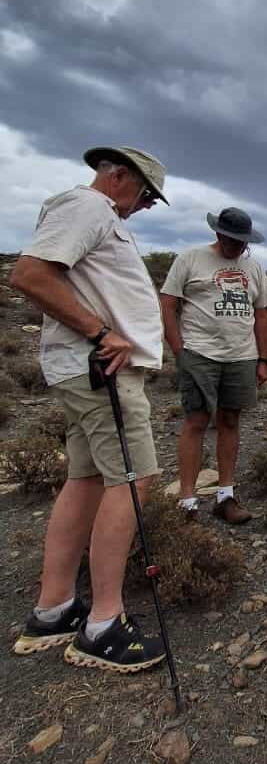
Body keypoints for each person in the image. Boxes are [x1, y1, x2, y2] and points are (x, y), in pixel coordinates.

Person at [10, 145, 169, 672]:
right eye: (146, 195)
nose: (146, 206)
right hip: (101, 372)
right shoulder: (88, 206)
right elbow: (30, 275)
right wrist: (101, 333)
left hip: (89, 371)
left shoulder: (97, 214)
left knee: (87, 479)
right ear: (119, 176)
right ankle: (103, 625)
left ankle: (54, 608)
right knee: (132, 479)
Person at [160, 207, 267, 525]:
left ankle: (225, 495)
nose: (237, 247)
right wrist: (178, 349)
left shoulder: (253, 268)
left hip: (241, 355)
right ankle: (187, 500)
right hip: (200, 352)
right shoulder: (191, 259)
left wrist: (263, 359)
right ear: (218, 234)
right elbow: (168, 303)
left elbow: (263, 313)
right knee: (196, 421)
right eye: (232, 240)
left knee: (230, 421)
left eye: (243, 242)